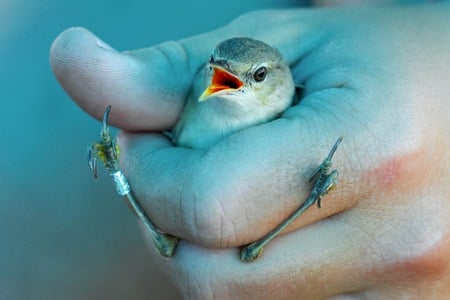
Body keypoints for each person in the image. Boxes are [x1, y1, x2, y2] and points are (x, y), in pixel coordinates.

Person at [50, 2, 450, 298]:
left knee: (250, 251)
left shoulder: (296, 109)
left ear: (278, 82)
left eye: (256, 76)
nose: (223, 78)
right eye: (217, 68)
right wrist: (119, 169)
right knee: (175, 240)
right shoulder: (198, 97)